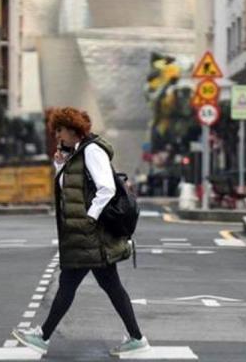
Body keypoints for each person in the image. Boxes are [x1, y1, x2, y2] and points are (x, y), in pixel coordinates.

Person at [12, 107, 149, 357]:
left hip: (89, 234)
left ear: (73, 130)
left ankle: (43, 336)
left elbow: (106, 188)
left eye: (60, 130)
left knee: (70, 283)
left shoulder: (92, 151)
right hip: (83, 235)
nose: (58, 136)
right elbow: (68, 189)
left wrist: (90, 217)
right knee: (107, 286)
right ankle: (136, 338)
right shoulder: (76, 153)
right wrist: (59, 163)